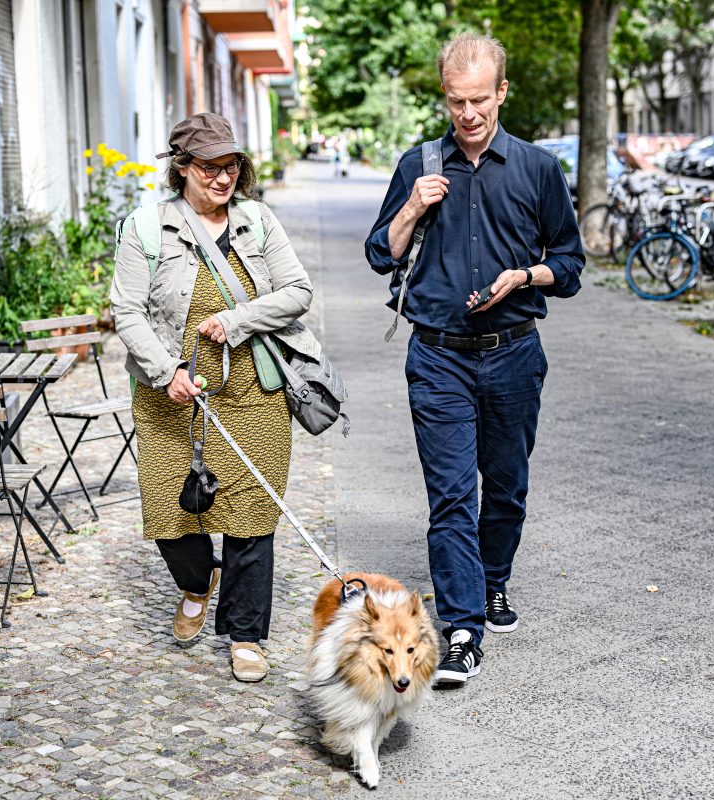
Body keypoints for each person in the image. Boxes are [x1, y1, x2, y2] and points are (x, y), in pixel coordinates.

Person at [364, 33, 584, 685]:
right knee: (453, 495)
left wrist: (525, 276)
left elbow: (570, 265)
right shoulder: (419, 165)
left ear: (502, 93)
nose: (468, 114)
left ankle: (493, 581)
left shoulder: (538, 169)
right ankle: (463, 627)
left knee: (507, 489)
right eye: (457, 101)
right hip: (437, 358)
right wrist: (412, 205)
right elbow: (382, 252)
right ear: (445, 96)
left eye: (480, 100)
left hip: (515, 353)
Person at [111, 113, 321, 683]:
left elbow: (298, 291)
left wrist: (237, 318)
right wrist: (165, 370)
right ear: (182, 169)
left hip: (253, 391)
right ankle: (196, 580)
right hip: (168, 398)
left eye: (230, 166)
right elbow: (126, 310)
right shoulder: (146, 229)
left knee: (252, 515)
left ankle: (246, 634)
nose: (223, 178)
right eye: (209, 167)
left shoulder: (257, 221)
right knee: (170, 514)